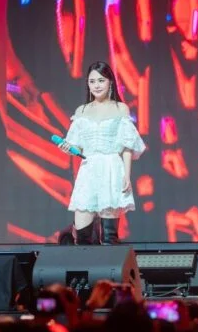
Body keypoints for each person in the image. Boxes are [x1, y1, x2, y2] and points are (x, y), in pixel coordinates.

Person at [58, 61, 146, 244]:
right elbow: (77, 148)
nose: (96, 85)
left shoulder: (120, 108)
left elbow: (127, 145)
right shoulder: (82, 111)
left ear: (110, 82)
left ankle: (109, 264)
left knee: (108, 237)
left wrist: (127, 176)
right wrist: (68, 148)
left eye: (101, 80)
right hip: (88, 170)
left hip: (111, 169)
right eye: (92, 81)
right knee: (82, 235)